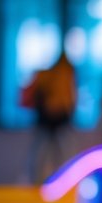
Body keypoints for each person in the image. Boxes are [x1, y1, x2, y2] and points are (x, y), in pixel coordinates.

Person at [24, 51, 77, 183]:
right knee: (61, 152)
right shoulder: (66, 73)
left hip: (45, 118)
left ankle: (36, 181)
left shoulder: (48, 75)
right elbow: (69, 99)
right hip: (59, 117)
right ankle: (63, 182)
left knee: (40, 152)